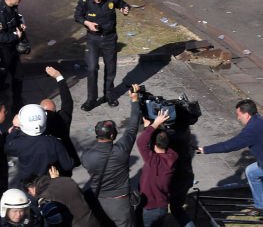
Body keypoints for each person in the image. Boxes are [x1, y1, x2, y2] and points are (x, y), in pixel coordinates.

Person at [197, 99, 263, 227]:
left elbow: (229, 145)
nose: (238, 118)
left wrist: (205, 150)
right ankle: (259, 205)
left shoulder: (252, 130)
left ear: (247, 114)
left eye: (239, 115)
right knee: (251, 172)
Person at [82, 85, 142, 227]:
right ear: (112, 135)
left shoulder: (87, 156)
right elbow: (133, 126)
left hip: (99, 202)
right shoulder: (121, 150)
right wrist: (134, 100)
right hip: (120, 204)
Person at [73, 0, 130, 110]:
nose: (98, 1)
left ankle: (109, 95)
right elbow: (77, 15)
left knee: (110, 70)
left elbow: (123, 4)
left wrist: (125, 8)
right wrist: (87, 23)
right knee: (92, 68)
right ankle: (91, 99)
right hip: (93, 39)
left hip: (110, 38)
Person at [5, 104, 75, 188]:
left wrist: (15, 130)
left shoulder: (18, 144)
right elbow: (67, 165)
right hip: (49, 185)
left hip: (28, 186)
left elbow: (7, 147)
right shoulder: (53, 142)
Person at [136, 106, 177, 227]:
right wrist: (152, 127)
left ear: (153, 144)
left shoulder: (153, 161)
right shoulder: (172, 156)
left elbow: (141, 142)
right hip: (162, 206)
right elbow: (150, 144)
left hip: (150, 208)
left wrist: (154, 124)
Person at [42, 65, 80, 169]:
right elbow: (67, 101)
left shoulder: (36, 126)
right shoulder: (62, 119)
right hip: (66, 159)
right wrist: (59, 77)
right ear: (55, 110)